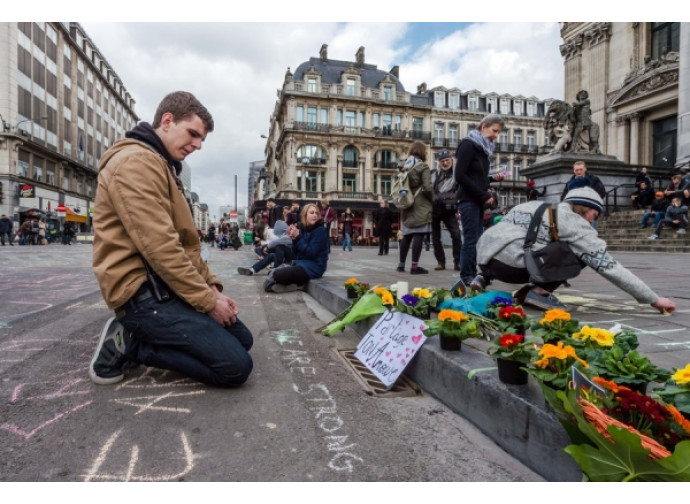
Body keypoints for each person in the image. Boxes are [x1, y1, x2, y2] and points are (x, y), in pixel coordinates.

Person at [90, 91, 253, 387]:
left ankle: (154, 336)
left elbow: (185, 246)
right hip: (141, 295)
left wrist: (214, 290)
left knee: (242, 338)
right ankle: (131, 343)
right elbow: (162, 249)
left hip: (165, 287)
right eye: (193, 134)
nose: (197, 145)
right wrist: (207, 302)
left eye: (202, 139)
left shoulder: (163, 167)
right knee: (235, 367)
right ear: (167, 121)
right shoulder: (134, 163)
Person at [469, 187, 676, 314]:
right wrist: (653, 299)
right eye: (594, 214)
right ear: (584, 208)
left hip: (485, 258)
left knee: (524, 241)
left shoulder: (532, 204)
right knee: (584, 254)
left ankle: (481, 279)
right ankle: (539, 291)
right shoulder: (572, 222)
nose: (592, 220)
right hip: (512, 266)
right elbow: (609, 266)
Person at [454, 114, 507, 285]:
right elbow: (460, 175)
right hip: (468, 200)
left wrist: (492, 179)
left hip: (475, 200)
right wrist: (484, 195)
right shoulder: (468, 145)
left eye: (498, 132)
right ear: (483, 126)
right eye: (494, 131)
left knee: (476, 238)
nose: (495, 135)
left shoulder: (482, 150)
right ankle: (466, 276)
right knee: (470, 238)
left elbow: (476, 177)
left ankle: (471, 273)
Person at [263, 203, 329, 293]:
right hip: (301, 264)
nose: (315, 215)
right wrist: (293, 239)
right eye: (312, 213)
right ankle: (293, 286)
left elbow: (312, 253)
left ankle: (292, 284)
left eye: (316, 213)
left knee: (277, 274)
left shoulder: (320, 231)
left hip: (314, 267)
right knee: (273, 272)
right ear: (305, 216)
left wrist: (298, 238)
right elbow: (296, 254)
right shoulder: (303, 230)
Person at [396, 141, 433, 275]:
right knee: (419, 233)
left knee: (407, 234)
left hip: (407, 203)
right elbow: (428, 187)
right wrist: (432, 200)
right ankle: (414, 266)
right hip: (420, 203)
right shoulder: (422, 166)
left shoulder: (405, 166)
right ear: (423, 152)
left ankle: (401, 265)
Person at [430, 149, 461, 271]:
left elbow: (460, 190)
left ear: (451, 160)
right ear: (439, 162)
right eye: (442, 161)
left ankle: (457, 262)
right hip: (435, 208)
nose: (445, 163)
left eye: (447, 160)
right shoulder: (434, 174)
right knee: (435, 237)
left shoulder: (457, 174)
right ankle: (440, 262)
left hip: (449, 209)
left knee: (456, 235)